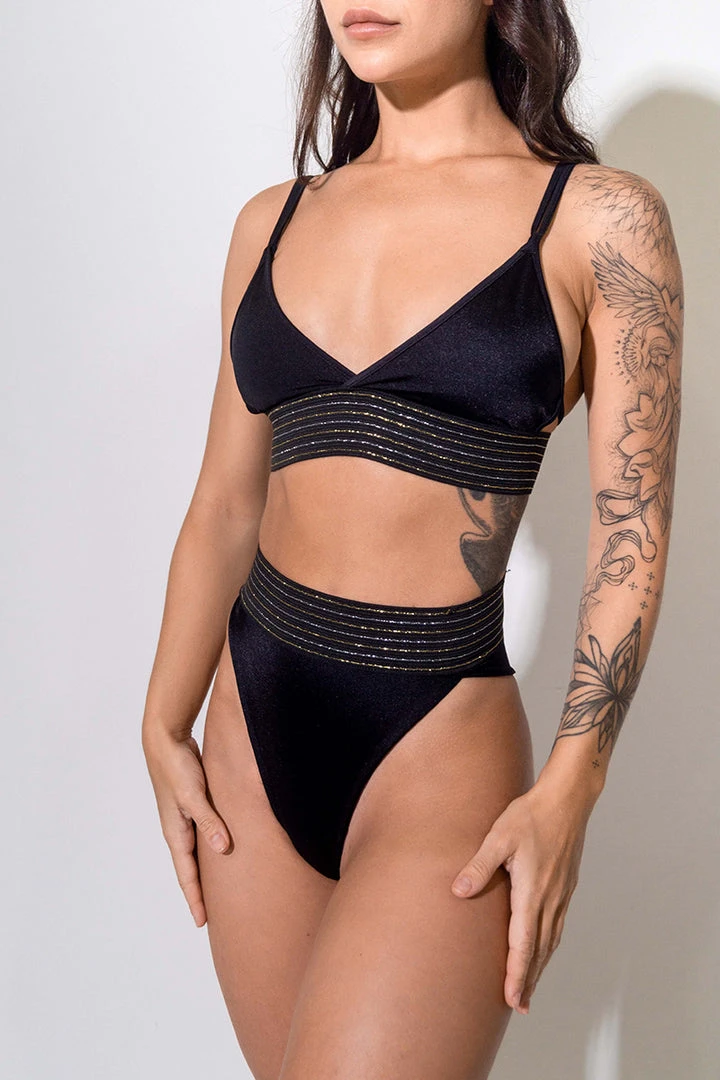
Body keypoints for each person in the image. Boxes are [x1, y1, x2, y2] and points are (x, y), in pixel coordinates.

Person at [141, 1, 683, 1076]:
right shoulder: (272, 222)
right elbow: (225, 504)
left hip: (435, 748)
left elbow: (630, 527)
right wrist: (162, 720)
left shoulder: (599, 220)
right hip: (251, 727)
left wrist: (573, 786)